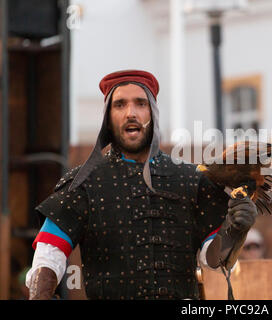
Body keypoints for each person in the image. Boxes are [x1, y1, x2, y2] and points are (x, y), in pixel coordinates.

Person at [25, 70, 257, 300]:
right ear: (108, 116)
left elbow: (213, 262)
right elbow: (49, 254)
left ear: (153, 113)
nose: (131, 113)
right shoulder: (82, 184)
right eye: (120, 105)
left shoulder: (192, 179)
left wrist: (234, 231)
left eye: (140, 103)